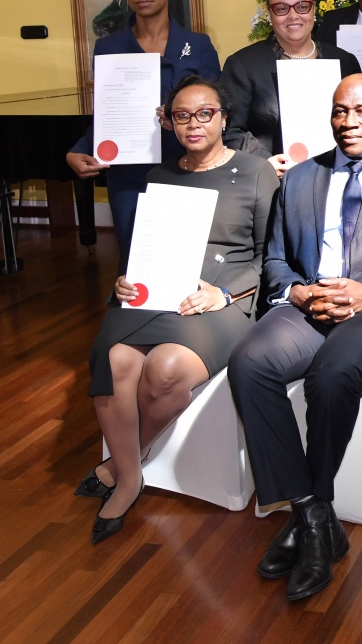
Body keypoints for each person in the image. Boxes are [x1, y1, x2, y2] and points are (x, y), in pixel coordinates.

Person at [227, 74, 362, 602]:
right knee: (249, 363)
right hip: (311, 304)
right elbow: (275, 260)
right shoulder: (301, 176)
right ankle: (312, 514)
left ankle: (309, 517)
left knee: (333, 374)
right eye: (340, 111)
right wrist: (299, 293)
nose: (350, 122)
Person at [76, 76, 278, 544]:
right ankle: (129, 478)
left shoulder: (255, 171)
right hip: (156, 292)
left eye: (205, 113)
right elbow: (146, 249)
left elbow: (272, 255)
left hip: (224, 297)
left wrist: (224, 295)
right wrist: (125, 279)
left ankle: (121, 460)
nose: (194, 124)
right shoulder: (160, 176)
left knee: (165, 368)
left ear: (224, 118)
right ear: (169, 122)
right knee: (116, 358)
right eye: (182, 115)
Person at [67, 0, 221, 269]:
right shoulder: (108, 47)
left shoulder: (199, 45)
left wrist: (181, 116)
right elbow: (110, 114)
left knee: (186, 262)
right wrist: (79, 150)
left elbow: (219, 114)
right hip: (129, 173)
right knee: (136, 264)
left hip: (186, 168)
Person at [222, 0, 362, 177]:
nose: (293, 16)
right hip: (274, 183)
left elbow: (361, 119)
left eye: (302, 7)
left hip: (339, 176)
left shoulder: (344, 61)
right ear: (270, 14)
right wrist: (263, 163)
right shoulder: (243, 65)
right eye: (281, 9)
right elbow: (230, 130)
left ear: (313, 9)